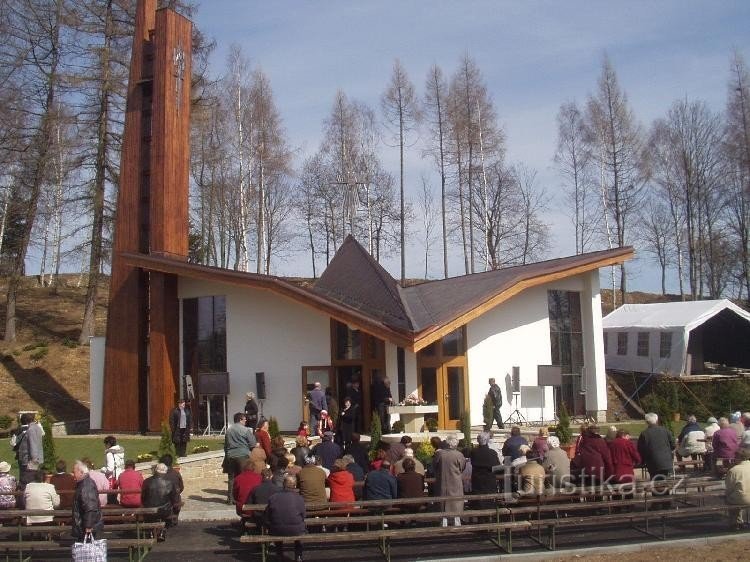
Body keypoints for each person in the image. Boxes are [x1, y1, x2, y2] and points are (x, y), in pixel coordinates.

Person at [264, 475, 305, 562]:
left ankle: (279, 555)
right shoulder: (300, 498)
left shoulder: (273, 497)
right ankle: (298, 556)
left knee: (277, 527)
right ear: (295, 486)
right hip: (296, 530)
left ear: (283, 484)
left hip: (277, 529)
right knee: (300, 529)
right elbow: (303, 515)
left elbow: (268, 516)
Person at [224, 412, 257, 503]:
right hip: (242, 455)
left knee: (231, 478)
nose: (246, 420)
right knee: (243, 477)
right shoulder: (246, 430)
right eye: (244, 419)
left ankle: (230, 498)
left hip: (231, 455)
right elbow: (253, 443)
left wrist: (227, 455)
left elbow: (225, 445)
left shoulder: (229, 430)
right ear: (240, 420)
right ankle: (241, 497)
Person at [434, 435, 466, 527]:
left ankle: (444, 520)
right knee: (456, 501)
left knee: (443, 500)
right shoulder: (459, 455)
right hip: (455, 481)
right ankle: (457, 520)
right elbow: (462, 467)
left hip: (442, 480)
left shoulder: (439, 454)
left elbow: (435, 466)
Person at [141, 463, 179, 541]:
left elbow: (143, 497)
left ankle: (151, 532)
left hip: (149, 509)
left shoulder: (147, 481)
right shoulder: (170, 482)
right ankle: (162, 531)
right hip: (164, 510)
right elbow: (174, 498)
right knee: (169, 509)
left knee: (148, 512)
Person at [71, 459, 103, 541]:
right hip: (85, 525)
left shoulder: (86, 485)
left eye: (74, 472)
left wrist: (88, 525)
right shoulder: (83, 484)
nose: (72, 475)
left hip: (88, 527)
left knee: (88, 551)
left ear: (81, 472)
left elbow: (90, 507)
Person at [470, 431, 500, 508]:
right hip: (489, 481)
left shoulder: (474, 452)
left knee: (478, 503)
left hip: (477, 481)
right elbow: (497, 467)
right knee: (489, 503)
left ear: (478, 440)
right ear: (487, 440)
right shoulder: (492, 453)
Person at [14, 413, 44, 489]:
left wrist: (33, 461)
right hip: (33, 459)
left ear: (26, 421)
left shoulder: (31, 430)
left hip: (29, 460)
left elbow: (33, 445)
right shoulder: (37, 427)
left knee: (27, 480)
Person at [726, 448, 750, 529]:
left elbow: (729, 488)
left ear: (738, 457)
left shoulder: (733, 470)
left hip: (742, 498)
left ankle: (736, 523)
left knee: (731, 498)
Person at [159, 454, 184, 526]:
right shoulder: (176, 473)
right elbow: (181, 487)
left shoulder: (160, 474)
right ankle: (175, 516)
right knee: (177, 496)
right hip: (174, 500)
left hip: (162, 500)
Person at [101, 435, 125, 504]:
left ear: (108, 444)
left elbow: (110, 468)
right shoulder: (120, 452)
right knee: (115, 494)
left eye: (105, 444)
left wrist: (103, 469)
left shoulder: (109, 454)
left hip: (112, 477)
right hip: (119, 475)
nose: (105, 446)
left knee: (110, 496)